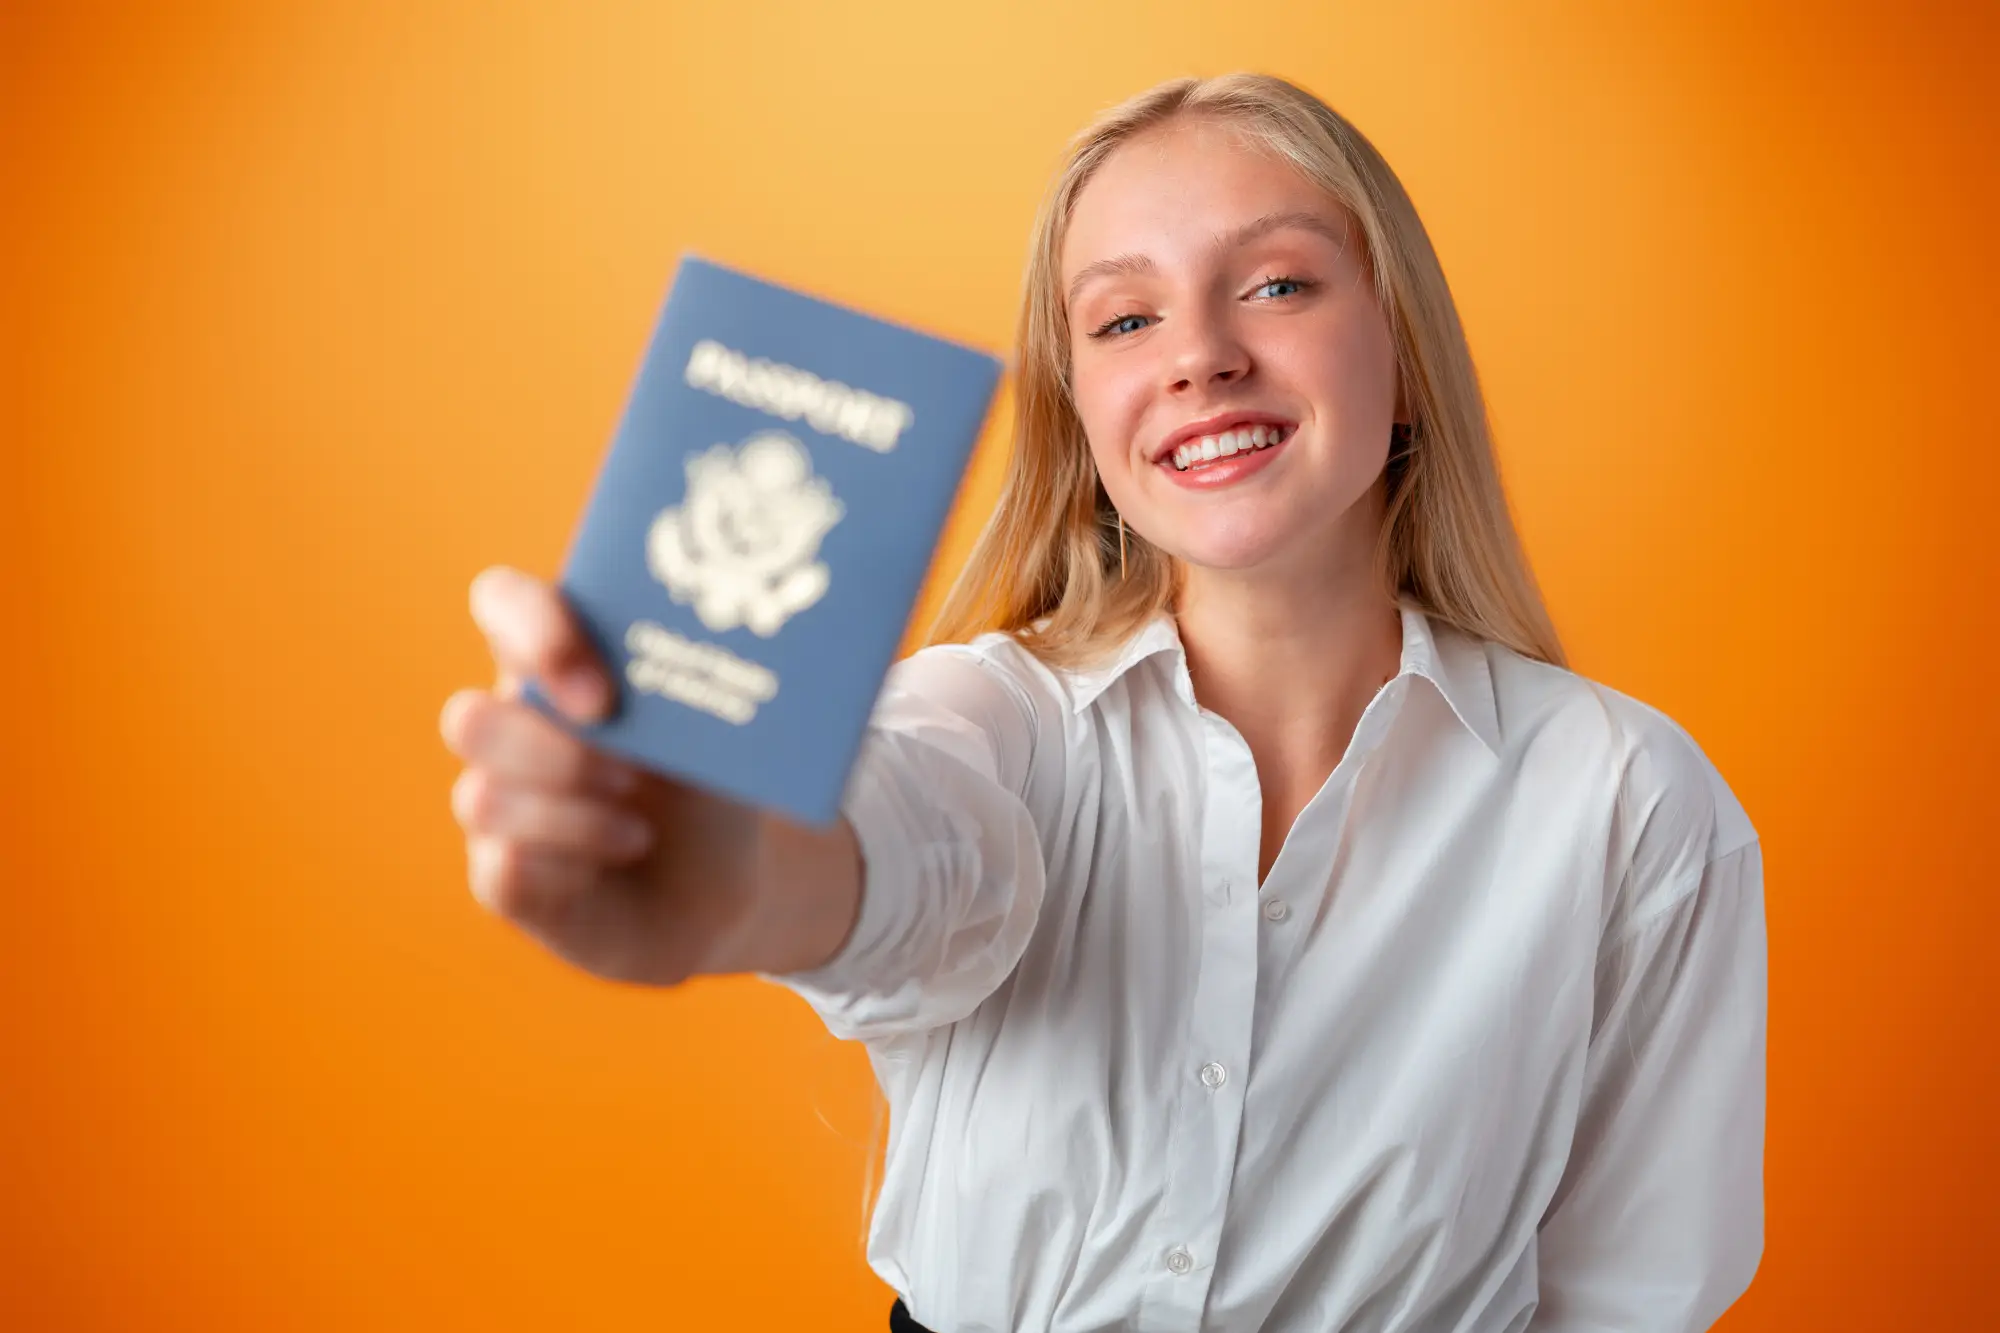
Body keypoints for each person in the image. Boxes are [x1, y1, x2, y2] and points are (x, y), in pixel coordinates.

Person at [438, 73, 1767, 1333]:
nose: (1199, 355)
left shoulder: (1628, 801)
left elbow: (1631, 1294)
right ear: (1084, 421)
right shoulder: (990, 722)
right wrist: (725, 874)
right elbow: (902, 860)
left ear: (1405, 352)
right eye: (1126, 320)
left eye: (1276, 284)